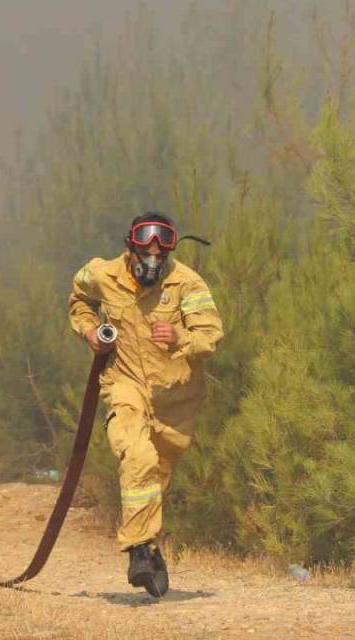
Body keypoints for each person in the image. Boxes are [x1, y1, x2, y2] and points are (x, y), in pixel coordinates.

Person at [67, 211, 224, 597]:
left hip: (176, 400)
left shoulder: (187, 283)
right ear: (130, 244)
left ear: (171, 248)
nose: (152, 255)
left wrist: (181, 337)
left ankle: (149, 548)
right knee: (137, 457)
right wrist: (90, 331)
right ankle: (138, 551)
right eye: (145, 244)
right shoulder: (102, 274)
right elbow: (79, 299)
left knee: (154, 479)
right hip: (125, 385)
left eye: (162, 245)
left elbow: (211, 335)